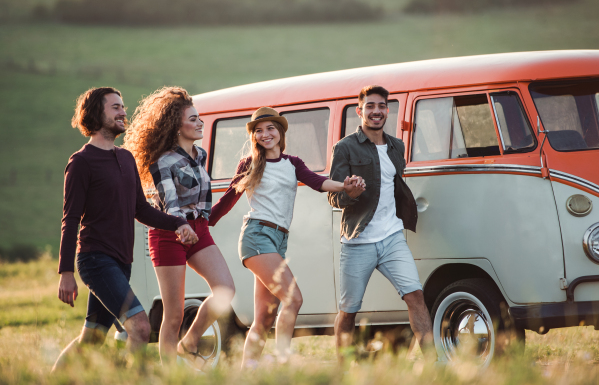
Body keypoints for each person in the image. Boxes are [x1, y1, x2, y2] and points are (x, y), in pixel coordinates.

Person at [54, 87, 198, 371]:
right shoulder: (81, 162)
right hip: (96, 259)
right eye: (115, 107)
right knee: (140, 327)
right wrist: (66, 272)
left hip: (122, 262)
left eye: (123, 107)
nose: (123, 112)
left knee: (92, 338)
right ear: (96, 114)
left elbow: (141, 210)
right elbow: (70, 219)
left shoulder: (126, 158)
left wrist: (178, 223)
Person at [209, 107, 365, 368]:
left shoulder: (292, 163)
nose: (265, 134)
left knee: (264, 318)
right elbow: (228, 199)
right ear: (254, 136)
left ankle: (248, 372)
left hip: (278, 241)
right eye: (258, 130)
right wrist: (203, 223)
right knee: (293, 299)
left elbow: (318, 182)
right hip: (257, 236)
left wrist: (345, 186)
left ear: (280, 131)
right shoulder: (250, 164)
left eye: (270, 128)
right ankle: (283, 361)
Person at [123, 87, 235, 367]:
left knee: (225, 290)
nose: (200, 123)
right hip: (169, 233)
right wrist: (181, 226)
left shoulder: (200, 155)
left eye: (200, 118)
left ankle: (191, 342)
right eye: (193, 119)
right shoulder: (161, 161)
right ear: (176, 125)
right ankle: (171, 375)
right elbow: (170, 204)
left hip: (198, 230)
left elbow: (204, 204)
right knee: (172, 315)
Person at [327, 85, 434, 361]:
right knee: (349, 310)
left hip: (392, 237)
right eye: (370, 106)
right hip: (358, 240)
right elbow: (333, 198)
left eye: (382, 106)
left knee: (416, 296)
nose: (376, 111)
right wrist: (349, 193)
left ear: (387, 110)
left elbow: (394, 185)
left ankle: (435, 363)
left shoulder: (396, 146)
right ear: (359, 110)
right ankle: (342, 371)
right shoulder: (345, 147)